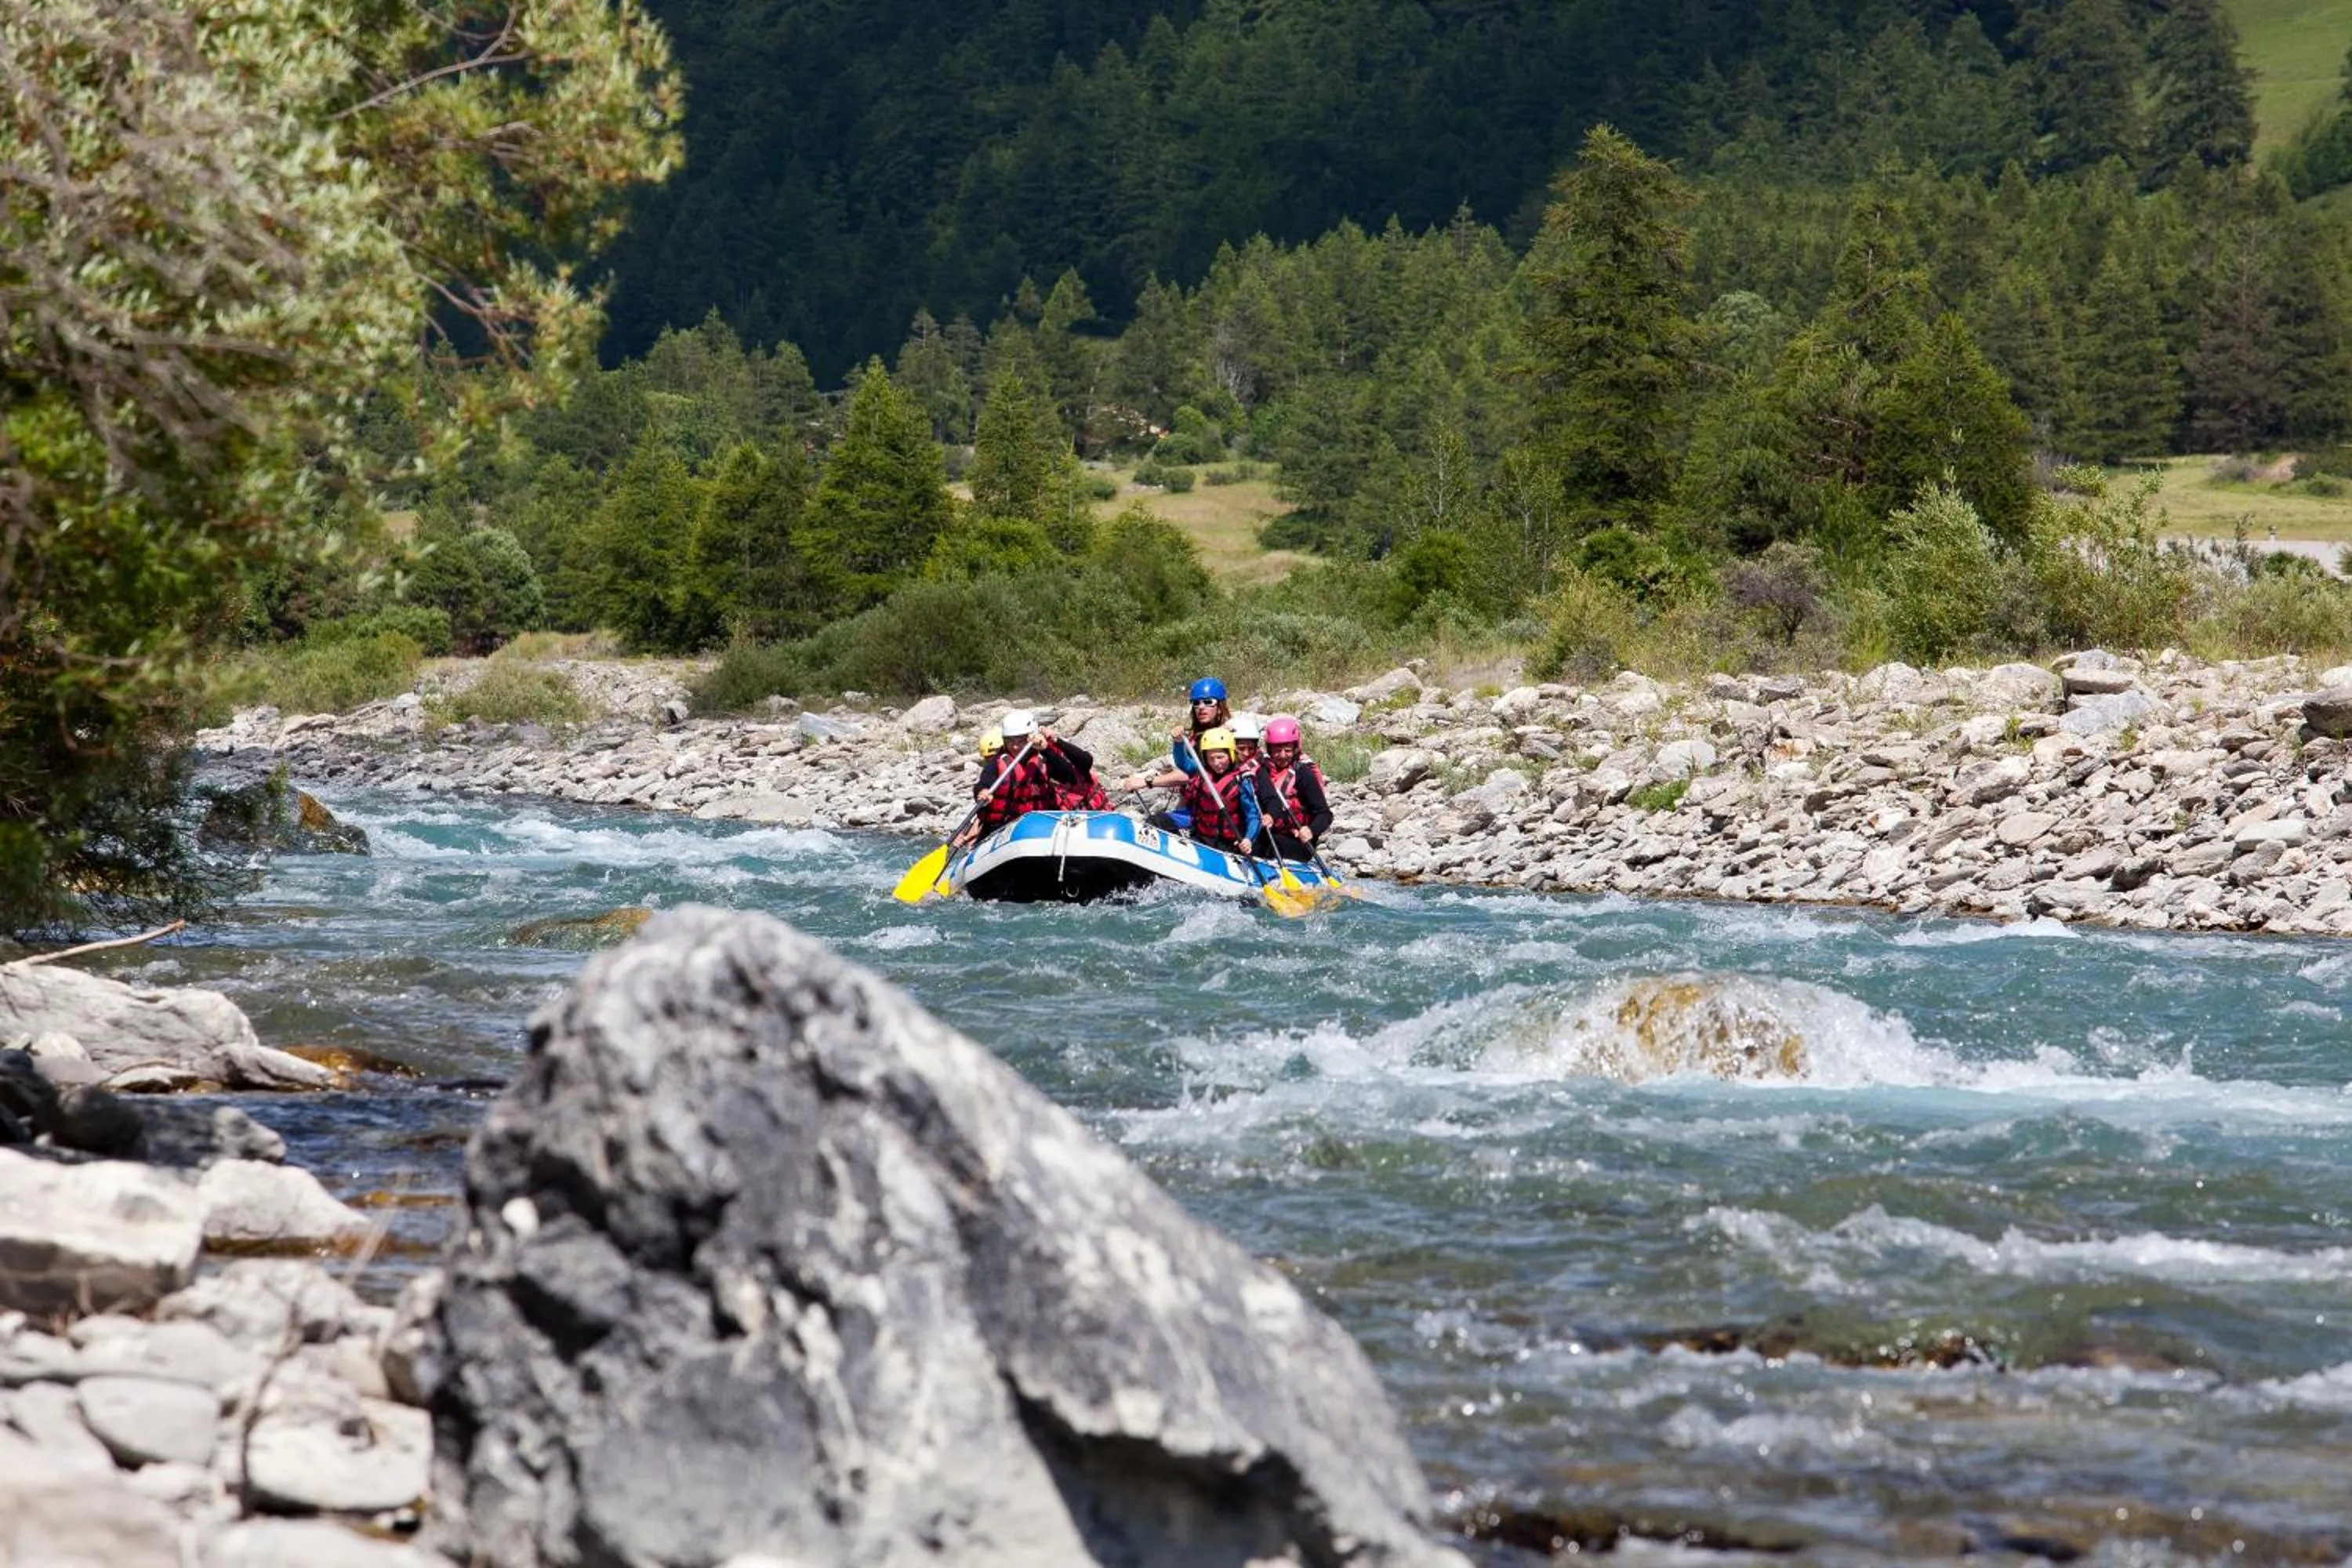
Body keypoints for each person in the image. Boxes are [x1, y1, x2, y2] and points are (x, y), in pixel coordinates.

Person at [1116, 726, 1261, 855]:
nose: (1216, 763)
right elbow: (1183, 763)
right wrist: (1179, 743)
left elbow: (1253, 816)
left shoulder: (1242, 781)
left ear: (1230, 754)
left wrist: (1248, 839)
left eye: (1220, 757)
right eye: (1211, 758)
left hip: (1226, 842)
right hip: (1200, 833)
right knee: (1156, 821)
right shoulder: (1202, 771)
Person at [955, 710, 1065, 847]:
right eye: (1010, 741)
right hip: (1001, 827)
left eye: (1021, 740)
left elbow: (1067, 776)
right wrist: (982, 792)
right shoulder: (998, 761)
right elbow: (983, 783)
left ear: (1032, 737)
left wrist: (1046, 749)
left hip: (1039, 825)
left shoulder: (1044, 757)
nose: (1015, 746)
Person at [1250, 714, 1333, 862]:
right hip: (1268, 833)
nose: (1282, 756)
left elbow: (1325, 814)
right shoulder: (1262, 770)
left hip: (1298, 842)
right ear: (1269, 749)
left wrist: (1311, 830)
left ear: (1295, 749)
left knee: (1268, 844)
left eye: (1288, 750)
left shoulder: (1304, 775)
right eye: (1277, 750)